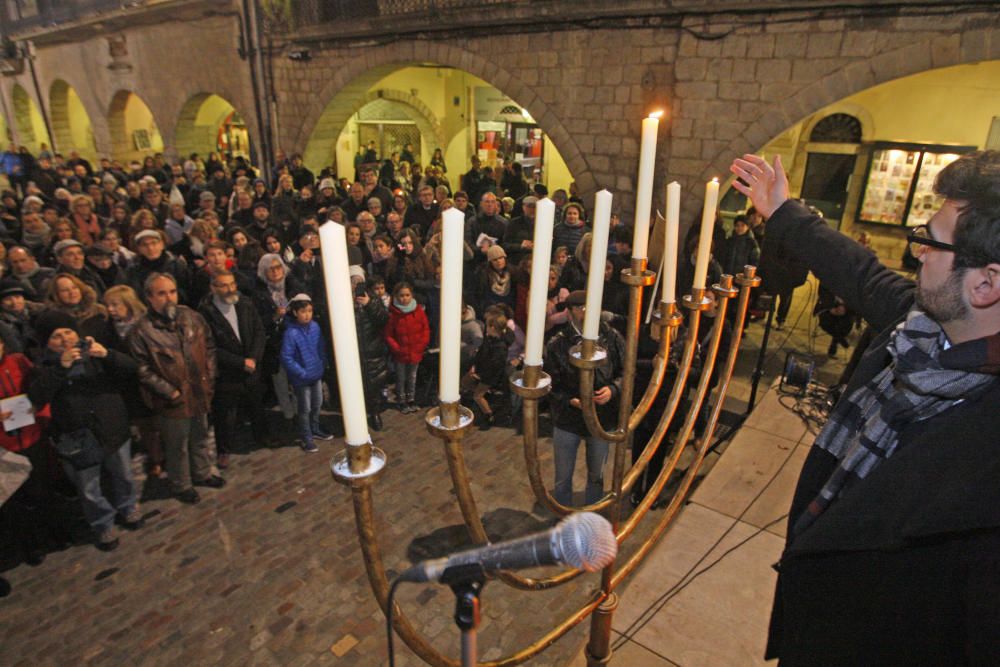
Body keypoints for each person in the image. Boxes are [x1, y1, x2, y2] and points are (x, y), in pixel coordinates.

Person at [730, 150, 1000, 664]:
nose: (916, 252)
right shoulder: (918, 327)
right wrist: (784, 211)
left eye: (929, 240)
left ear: (986, 284)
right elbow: (861, 272)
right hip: (815, 613)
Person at [29, 310, 143, 551]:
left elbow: (132, 368)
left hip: (111, 425)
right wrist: (61, 368)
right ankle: (103, 524)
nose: (65, 339)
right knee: (89, 487)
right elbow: (37, 396)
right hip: (76, 436)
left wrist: (108, 355)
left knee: (123, 473)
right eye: (56, 336)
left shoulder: (94, 352)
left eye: (68, 332)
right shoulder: (42, 365)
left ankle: (128, 507)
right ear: (47, 342)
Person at [128, 273, 222, 505]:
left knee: (200, 436)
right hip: (172, 398)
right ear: (149, 298)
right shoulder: (142, 331)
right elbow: (141, 369)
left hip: (199, 391)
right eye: (161, 293)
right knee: (176, 445)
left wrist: (209, 377)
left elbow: (209, 346)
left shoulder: (191, 317)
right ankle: (181, 484)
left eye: (172, 291)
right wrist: (169, 391)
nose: (169, 298)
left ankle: (202, 473)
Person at [543, 290, 625, 506]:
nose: (586, 313)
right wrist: (569, 399)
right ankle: (563, 515)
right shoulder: (558, 344)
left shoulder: (611, 337)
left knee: (597, 475)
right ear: (569, 313)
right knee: (563, 477)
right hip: (568, 419)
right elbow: (549, 382)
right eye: (580, 308)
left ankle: (592, 514)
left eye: (590, 308)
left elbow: (626, 372)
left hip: (601, 417)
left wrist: (613, 389)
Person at [199, 270, 268, 467]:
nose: (230, 289)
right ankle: (224, 450)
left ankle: (262, 436)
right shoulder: (206, 312)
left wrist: (253, 358)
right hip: (227, 372)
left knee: (257, 405)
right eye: (224, 285)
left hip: (252, 367)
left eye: (232, 284)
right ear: (213, 287)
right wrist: (239, 362)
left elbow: (258, 331)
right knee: (225, 415)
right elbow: (210, 346)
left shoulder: (244, 303)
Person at [280, 294, 332, 452]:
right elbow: (286, 357)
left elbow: (321, 347)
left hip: (316, 373)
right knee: (304, 409)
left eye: (309, 310)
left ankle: (315, 428)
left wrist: (323, 364)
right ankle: (306, 436)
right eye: (303, 311)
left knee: (317, 404)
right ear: (295, 313)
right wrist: (301, 373)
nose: (307, 314)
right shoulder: (291, 333)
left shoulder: (315, 327)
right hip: (302, 379)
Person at [384, 282, 430, 413]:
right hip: (401, 353)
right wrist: (397, 348)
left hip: (416, 350)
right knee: (401, 377)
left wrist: (422, 344)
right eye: (402, 295)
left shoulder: (418, 310)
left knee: (412, 376)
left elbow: (425, 328)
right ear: (396, 296)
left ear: (412, 295)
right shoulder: (393, 314)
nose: (405, 298)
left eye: (407, 295)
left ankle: (411, 399)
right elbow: (388, 334)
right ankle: (401, 400)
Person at [463, 309, 509, 431]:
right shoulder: (489, 339)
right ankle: (485, 396)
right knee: (465, 382)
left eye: (488, 325)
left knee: (478, 396)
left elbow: (494, 366)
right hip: (481, 370)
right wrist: (474, 366)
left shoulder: (500, 347)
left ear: (493, 327)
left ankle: (489, 415)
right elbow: (481, 353)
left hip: (489, 377)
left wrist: (480, 375)